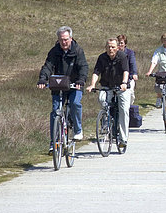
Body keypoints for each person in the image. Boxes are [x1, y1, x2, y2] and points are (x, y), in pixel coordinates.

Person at [37, 26, 88, 154]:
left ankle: (78, 130)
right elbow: (48, 66)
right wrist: (43, 79)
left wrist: (81, 81)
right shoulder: (55, 51)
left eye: (66, 39)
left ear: (70, 38)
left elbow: (83, 67)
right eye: (61, 40)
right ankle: (53, 143)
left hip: (74, 85)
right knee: (55, 112)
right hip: (58, 85)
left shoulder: (77, 50)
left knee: (75, 103)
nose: (64, 42)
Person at [86, 39, 130, 148]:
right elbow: (96, 72)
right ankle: (106, 120)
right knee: (102, 99)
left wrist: (124, 83)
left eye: (113, 47)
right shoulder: (102, 57)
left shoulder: (122, 56)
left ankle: (123, 139)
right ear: (105, 47)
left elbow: (126, 71)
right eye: (109, 47)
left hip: (121, 86)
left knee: (124, 109)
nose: (111, 49)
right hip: (106, 85)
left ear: (117, 47)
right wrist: (92, 85)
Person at [117, 34, 138, 103]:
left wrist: (134, 73)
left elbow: (133, 64)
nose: (120, 45)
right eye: (118, 43)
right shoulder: (114, 54)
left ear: (125, 44)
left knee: (130, 93)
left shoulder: (130, 53)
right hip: (117, 77)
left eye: (121, 43)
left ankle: (129, 107)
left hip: (129, 77)